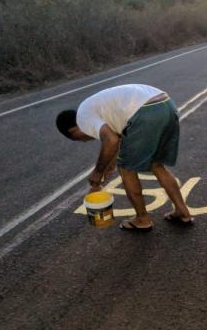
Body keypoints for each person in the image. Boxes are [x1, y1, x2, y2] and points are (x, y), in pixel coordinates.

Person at [56, 84, 193, 232]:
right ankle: (182, 212)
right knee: (156, 164)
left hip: (145, 112)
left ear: (73, 130)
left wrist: (98, 172)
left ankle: (142, 219)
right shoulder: (97, 108)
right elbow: (120, 139)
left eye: (79, 139)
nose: (85, 140)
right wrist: (108, 166)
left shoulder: (83, 118)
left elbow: (111, 141)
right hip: (166, 105)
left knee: (126, 169)